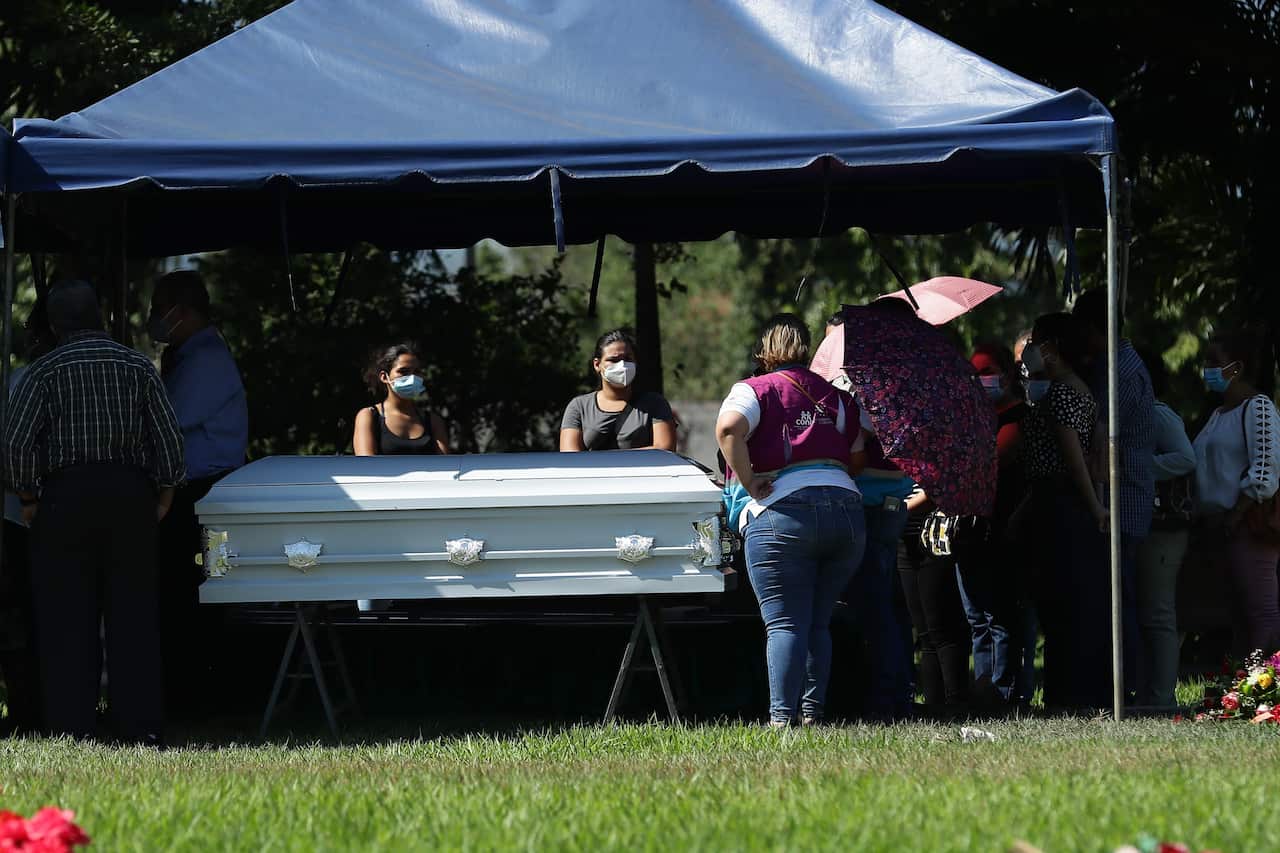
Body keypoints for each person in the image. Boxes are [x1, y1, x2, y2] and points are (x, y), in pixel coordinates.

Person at [3, 280, 185, 744]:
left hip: (65, 496)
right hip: (129, 494)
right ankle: (140, 727)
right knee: (134, 615)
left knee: (66, 616)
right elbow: (168, 438)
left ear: (55, 324)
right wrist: (163, 494)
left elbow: (17, 442)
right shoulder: (139, 366)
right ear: (100, 316)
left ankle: (71, 726)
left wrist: (27, 497)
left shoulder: (42, 373)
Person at [716, 314, 866, 726]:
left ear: (765, 352)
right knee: (819, 622)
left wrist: (749, 481)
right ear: (806, 350)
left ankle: (783, 722)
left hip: (782, 514)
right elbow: (857, 457)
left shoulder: (753, 390)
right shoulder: (837, 396)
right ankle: (814, 716)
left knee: (785, 624)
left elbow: (729, 428)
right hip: (846, 516)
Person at [146, 270, 249, 718]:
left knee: (197, 594)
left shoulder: (205, 358)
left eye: (158, 309)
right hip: (201, 493)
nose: (154, 319)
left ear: (181, 312)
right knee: (190, 594)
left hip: (206, 496)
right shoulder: (192, 354)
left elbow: (167, 421)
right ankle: (194, 694)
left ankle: (200, 697)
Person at [1020, 312, 1110, 710]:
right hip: (1060, 502)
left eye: (1037, 341)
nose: (1028, 351)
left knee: (1062, 607)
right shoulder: (1082, 390)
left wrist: (1095, 507)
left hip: (1062, 505)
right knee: (1071, 604)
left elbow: (1076, 461)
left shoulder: (1061, 394)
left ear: (1053, 348)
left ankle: (1067, 696)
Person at [1073, 288, 1155, 698]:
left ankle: (1129, 692)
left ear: (1094, 328)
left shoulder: (1118, 372)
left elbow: (1104, 440)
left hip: (1123, 499)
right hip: (1127, 496)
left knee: (1119, 603)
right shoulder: (1120, 363)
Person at [1191, 332, 1280, 655]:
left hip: (1248, 524)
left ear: (1237, 367)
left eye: (1214, 361)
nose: (1206, 368)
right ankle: (1245, 692)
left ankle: (1267, 694)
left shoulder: (1258, 408)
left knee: (1261, 612)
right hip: (1221, 526)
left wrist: (1237, 515)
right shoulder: (1217, 415)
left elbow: (1264, 469)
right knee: (1240, 617)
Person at [954, 343, 1027, 708]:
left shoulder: (1017, 419)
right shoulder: (974, 421)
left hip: (1001, 530)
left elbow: (990, 463)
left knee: (998, 617)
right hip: (972, 531)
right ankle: (984, 687)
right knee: (977, 618)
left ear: (1006, 375)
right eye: (974, 375)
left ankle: (1002, 690)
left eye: (987, 374)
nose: (981, 382)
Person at [0, 295, 56, 734]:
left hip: (21, 509)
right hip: (64, 507)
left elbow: (13, 446)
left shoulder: (24, 378)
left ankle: (26, 709)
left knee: (20, 612)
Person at [1134, 351, 1196, 708]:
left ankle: (1161, 697)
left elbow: (1186, 459)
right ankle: (1152, 693)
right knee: (1150, 613)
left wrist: (1137, 466)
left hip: (1164, 529)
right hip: (1152, 527)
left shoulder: (1157, 414)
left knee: (1158, 614)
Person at [560, 329, 676, 452]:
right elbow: (570, 456)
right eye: (614, 360)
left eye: (628, 359)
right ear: (597, 365)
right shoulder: (579, 406)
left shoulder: (654, 404)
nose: (623, 365)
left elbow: (665, 449)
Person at [354, 343, 449, 456]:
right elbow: (366, 467)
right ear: (384, 377)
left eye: (417, 372)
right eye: (403, 371)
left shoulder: (433, 421)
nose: (412, 377)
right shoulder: (369, 416)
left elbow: (445, 468)